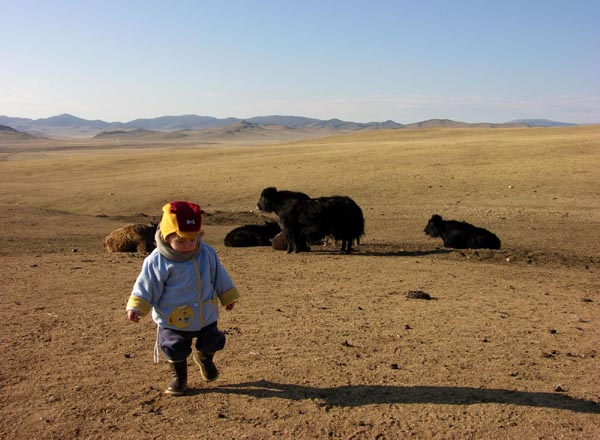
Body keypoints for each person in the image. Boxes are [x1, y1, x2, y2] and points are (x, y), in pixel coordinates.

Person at [126, 200, 240, 396]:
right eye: (181, 241)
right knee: (174, 347)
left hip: (205, 313)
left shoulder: (206, 253)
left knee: (212, 340)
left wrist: (227, 295)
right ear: (166, 237)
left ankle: (205, 359)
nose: (188, 246)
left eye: (193, 240)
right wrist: (137, 306)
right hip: (173, 318)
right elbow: (147, 285)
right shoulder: (157, 260)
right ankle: (179, 377)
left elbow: (219, 275)